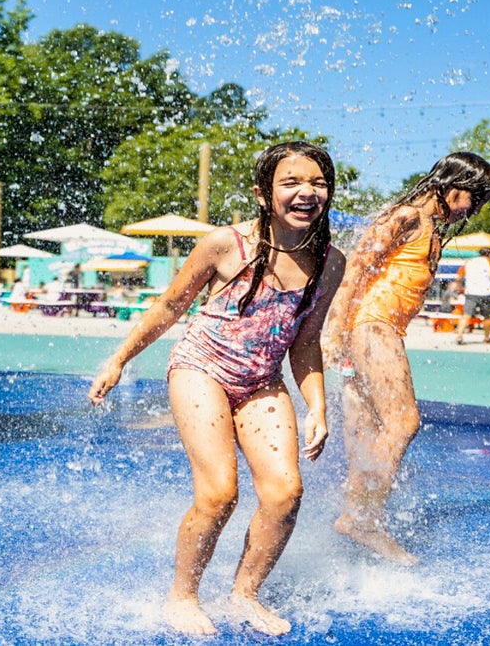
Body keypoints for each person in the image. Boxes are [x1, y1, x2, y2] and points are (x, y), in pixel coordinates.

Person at [88, 141, 345, 636]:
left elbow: (306, 341)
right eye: (290, 183)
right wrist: (119, 359)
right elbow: (170, 307)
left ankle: (244, 595)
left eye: (317, 183)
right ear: (263, 193)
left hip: (261, 381)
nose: (306, 193)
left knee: (285, 492)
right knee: (220, 492)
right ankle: (182, 595)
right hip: (201, 368)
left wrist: (317, 406)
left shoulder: (330, 262)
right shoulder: (226, 244)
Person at [323, 152, 490, 565]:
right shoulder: (405, 217)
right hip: (372, 326)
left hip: (375, 329)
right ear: (450, 184)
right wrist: (333, 330)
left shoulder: (431, 230)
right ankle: (361, 517)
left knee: (366, 431)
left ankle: (357, 514)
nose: (472, 211)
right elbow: (357, 270)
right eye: (472, 199)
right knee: (404, 422)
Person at [455, 247, 490, 344]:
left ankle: (459, 336)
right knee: (487, 316)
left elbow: (458, 278)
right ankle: (487, 338)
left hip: (471, 292)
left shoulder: (470, 262)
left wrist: (459, 288)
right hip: (486, 293)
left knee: (466, 315)